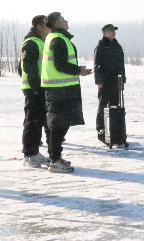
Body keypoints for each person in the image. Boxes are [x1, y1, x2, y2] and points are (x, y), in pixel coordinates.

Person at [40, 12, 92, 173]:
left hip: (65, 88)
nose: (66, 21)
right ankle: (54, 160)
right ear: (56, 24)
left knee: (62, 123)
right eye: (63, 19)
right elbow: (60, 65)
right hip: (59, 90)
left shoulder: (59, 38)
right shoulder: (57, 39)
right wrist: (78, 70)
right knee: (57, 124)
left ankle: (55, 157)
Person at [19, 15, 51, 168]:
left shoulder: (41, 41)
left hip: (39, 88)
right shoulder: (31, 43)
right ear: (39, 26)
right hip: (33, 89)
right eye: (47, 25)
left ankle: (34, 152)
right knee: (32, 121)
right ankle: (29, 154)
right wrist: (36, 88)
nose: (49, 27)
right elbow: (27, 68)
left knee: (38, 121)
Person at [94, 24, 126, 142]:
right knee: (103, 104)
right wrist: (98, 80)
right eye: (110, 31)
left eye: (114, 31)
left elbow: (121, 64)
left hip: (116, 80)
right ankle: (100, 127)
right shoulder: (101, 46)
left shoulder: (117, 46)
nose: (113, 33)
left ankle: (114, 127)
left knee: (115, 105)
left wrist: (123, 78)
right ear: (104, 33)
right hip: (105, 81)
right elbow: (97, 65)